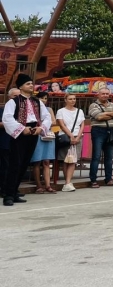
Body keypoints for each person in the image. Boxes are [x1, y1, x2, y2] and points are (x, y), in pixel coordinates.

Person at [2, 75, 51, 206]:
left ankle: (14, 192)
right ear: (20, 86)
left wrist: (41, 128)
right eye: (28, 83)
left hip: (33, 132)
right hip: (19, 134)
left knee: (24, 163)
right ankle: (8, 195)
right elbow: (7, 118)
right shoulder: (13, 102)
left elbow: (47, 117)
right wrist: (21, 129)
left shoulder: (37, 102)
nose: (31, 85)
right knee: (15, 164)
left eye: (31, 83)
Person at [87, 87, 113, 187]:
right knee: (96, 156)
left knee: (109, 157)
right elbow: (99, 117)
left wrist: (106, 114)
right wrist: (112, 114)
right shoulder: (93, 105)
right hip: (98, 131)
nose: (105, 95)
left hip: (110, 131)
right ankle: (93, 180)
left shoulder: (112, 104)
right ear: (98, 95)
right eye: (103, 93)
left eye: (107, 94)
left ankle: (108, 179)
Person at [56, 94, 85, 192]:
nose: (73, 101)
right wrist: (71, 136)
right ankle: (67, 182)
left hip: (77, 136)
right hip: (66, 137)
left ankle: (68, 182)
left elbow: (82, 125)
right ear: (65, 100)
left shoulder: (80, 111)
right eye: (70, 99)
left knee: (73, 160)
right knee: (66, 160)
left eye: (74, 99)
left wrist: (78, 136)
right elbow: (62, 125)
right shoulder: (61, 111)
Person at [30, 91, 56, 194]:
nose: (44, 100)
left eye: (45, 98)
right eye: (41, 98)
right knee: (37, 161)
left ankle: (48, 185)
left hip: (47, 135)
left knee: (47, 161)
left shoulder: (49, 109)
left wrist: (45, 123)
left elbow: (54, 121)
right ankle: (38, 185)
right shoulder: (32, 109)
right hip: (37, 135)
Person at [0, 88, 21, 197]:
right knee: (5, 167)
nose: (17, 99)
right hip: (5, 142)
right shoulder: (3, 109)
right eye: (14, 96)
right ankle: (4, 190)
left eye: (19, 96)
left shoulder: (23, 110)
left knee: (16, 166)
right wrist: (12, 123)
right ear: (9, 98)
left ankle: (13, 190)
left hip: (18, 142)